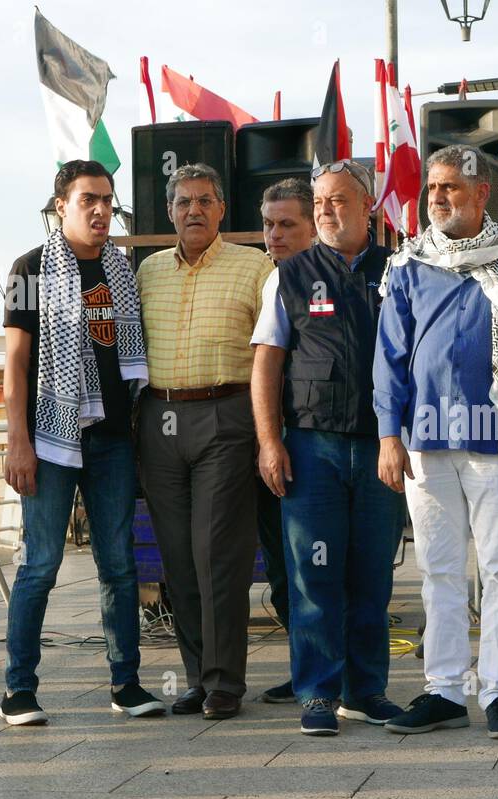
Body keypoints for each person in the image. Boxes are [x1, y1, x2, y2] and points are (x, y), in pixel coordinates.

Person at [374, 144, 498, 740]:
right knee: (440, 571)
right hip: (425, 439)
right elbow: (389, 357)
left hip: (495, 434)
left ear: (480, 195)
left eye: (451, 188)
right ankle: (444, 690)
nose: (438, 198)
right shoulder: (407, 263)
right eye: (432, 189)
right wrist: (387, 435)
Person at [0, 159, 163, 725]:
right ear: (61, 205)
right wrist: (16, 440)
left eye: (108, 201)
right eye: (88, 199)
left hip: (114, 438)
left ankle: (127, 684)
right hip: (51, 436)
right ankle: (18, 689)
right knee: (40, 564)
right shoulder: (31, 268)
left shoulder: (121, 270)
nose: (100, 211)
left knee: (119, 565)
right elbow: (16, 364)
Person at [251, 160, 406, 737]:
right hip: (310, 448)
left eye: (339, 200)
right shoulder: (288, 276)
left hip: (379, 449)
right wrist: (270, 442)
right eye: (319, 203)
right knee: (314, 574)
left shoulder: (399, 270)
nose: (327, 211)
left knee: (371, 576)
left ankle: (366, 691)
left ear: (367, 205)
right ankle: (317, 692)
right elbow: (266, 362)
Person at [137, 163, 272, 721]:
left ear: (222, 210)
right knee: (177, 558)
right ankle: (196, 677)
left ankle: (224, 684)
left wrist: (270, 435)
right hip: (159, 419)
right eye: (184, 201)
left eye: (205, 201)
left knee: (217, 552)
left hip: (226, 415)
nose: (194, 210)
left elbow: (274, 355)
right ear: (169, 210)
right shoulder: (145, 271)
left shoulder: (256, 267)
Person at [254, 177, 315, 706]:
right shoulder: (268, 280)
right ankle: (304, 669)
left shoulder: (344, 278)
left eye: (286, 224)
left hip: (324, 443)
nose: (273, 235)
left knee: (322, 566)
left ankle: (332, 674)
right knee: (284, 565)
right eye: (268, 224)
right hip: (271, 441)